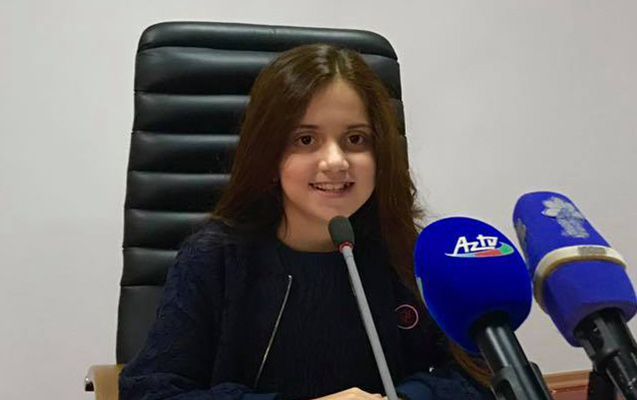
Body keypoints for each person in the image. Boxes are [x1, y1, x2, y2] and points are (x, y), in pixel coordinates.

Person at [119, 44, 494, 400]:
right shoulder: (215, 258)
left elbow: (485, 375)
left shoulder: (410, 253)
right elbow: (150, 390)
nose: (335, 161)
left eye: (355, 138)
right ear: (268, 156)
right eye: (305, 139)